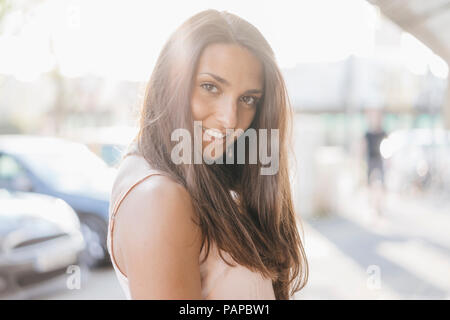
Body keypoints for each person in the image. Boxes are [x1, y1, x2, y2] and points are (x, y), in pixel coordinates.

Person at [107, 9, 308, 300]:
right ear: (170, 83)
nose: (230, 119)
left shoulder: (191, 176)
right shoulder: (160, 196)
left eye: (248, 99)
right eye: (210, 87)